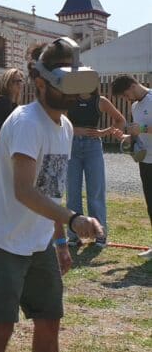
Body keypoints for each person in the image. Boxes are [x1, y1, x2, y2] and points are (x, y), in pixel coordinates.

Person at [0, 37, 103, 352]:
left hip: (39, 241)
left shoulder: (64, 126)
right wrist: (74, 219)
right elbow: (24, 190)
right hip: (2, 239)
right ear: (41, 83)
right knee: (1, 328)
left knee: (49, 323)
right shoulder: (26, 123)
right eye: (64, 85)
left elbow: (51, 190)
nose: (71, 95)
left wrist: (60, 241)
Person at [66, 90, 125, 247]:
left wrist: (103, 133)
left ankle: (100, 235)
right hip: (71, 146)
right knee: (72, 192)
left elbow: (120, 120)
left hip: (93, 147)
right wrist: (72, 130)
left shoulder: (101, 101)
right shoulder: (69, 98)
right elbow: (56, 121)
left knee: (96, 192)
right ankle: (73, 236)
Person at [111, 75, 152, 260]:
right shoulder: (135, 106)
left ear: (133, 86)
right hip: (146, 161)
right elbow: (137, 135)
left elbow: (141, 129)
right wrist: (126, 137)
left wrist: (141, 129)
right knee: (151, 206)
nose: (126, 99)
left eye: (126, 95)